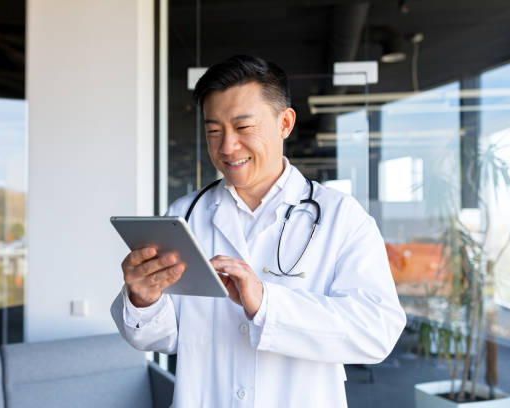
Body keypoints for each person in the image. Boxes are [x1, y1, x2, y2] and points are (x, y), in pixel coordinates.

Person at [111, 55, 406, 407]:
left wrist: (266, 304)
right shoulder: (184, 215)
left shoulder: (340, 217)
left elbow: (377, 334)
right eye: (214, 131)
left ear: (285, 123)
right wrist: (144, 299)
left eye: (243, 128)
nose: (226, 147)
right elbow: (162, 338)